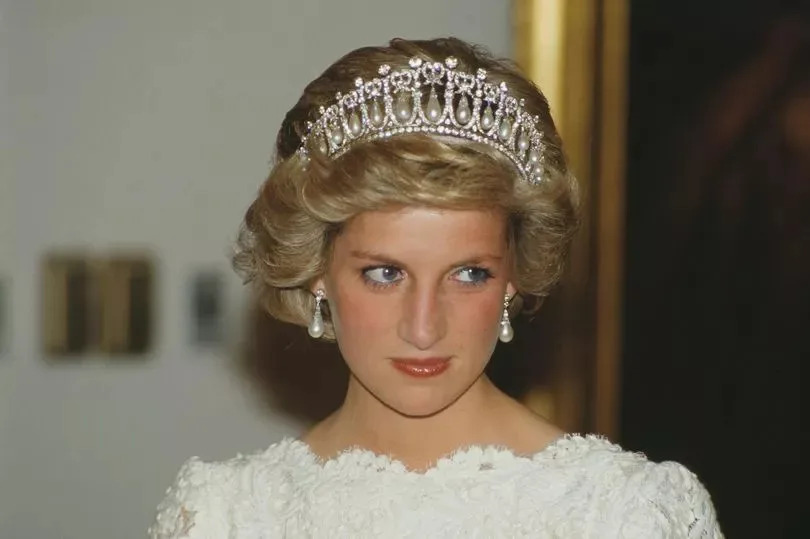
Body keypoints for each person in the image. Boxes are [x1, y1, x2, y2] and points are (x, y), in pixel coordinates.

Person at [149, 37, 722, 538]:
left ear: (513, 276)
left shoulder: (630, 516)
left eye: (469, 274)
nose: (424, 327)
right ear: (317, 269)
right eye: (385, 273)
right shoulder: (220, 517)